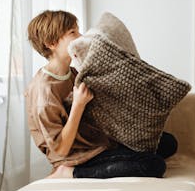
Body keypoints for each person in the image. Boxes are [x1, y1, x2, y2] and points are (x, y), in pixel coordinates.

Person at [25, 10, 177, 179]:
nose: (80, 36)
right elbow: (60, 149)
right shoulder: (44, 91)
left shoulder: (73, 72)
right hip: (74, 157)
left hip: (97, 142)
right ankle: (70, 173)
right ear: (51, 43)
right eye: (72, 33)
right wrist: (78, 105)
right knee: (153, 165)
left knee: (168, 143)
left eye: (78, 30)